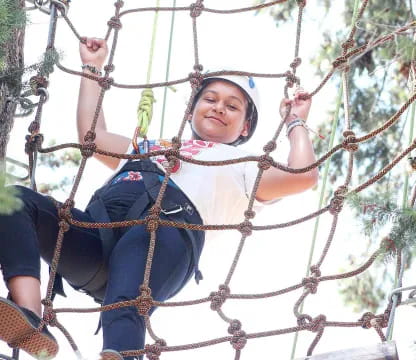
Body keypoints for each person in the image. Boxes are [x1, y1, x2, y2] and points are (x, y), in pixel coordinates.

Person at [0, 37, 318, 360]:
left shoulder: (244, 166)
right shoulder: (150, 146)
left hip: (163, 235)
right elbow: (91, 136)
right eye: (210, 98)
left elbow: (302, 175)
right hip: (100, 234)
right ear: (191, 108)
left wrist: (295, 122)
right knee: (15, 203)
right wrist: (92, 68)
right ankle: (29, 316)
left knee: (124, 303)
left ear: (245, 126)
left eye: (233, 106)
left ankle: (122, 354)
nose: (219, 107)